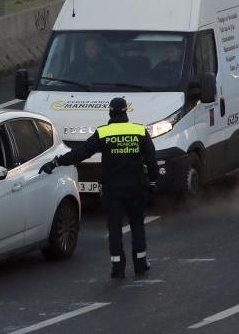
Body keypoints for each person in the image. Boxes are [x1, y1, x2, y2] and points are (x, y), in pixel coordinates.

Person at [42, 97, 159, 279]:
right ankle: (141, 263)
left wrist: (57, 162)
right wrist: (152, 181)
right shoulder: (139, 131)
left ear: (111, 113)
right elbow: (151, 159)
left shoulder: (104, 133)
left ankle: (117, 267)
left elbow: (82, 153)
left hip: (112, 190)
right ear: (126, 112)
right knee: (137, 225)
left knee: (114, 228)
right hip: (136, 188)